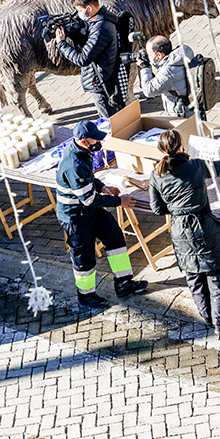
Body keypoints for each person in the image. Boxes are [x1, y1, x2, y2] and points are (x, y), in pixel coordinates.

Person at [148, 129, 220, 335]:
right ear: (181, 146)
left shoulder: (156, 174)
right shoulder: (195, 166)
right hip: (203, 226)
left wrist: (177, 210)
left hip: (179, 229)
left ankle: (209, 318)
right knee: (216, 273)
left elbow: (157, 208)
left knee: (194, 276)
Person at [56, 120, 148, 307]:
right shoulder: (74, 164)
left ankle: (124, 283)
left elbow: (90, 179)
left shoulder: (82, 152)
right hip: (75, 217)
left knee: (114, 237)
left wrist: (103, 187)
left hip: (89, 210)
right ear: (83, 141)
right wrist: (119, 202)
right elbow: (88, 199)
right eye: (94, 139)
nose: (98, 142)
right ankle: (86, 295)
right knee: (84, 257)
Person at [54, 0, 123, 119]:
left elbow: (83, 59)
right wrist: (74, 35)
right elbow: (91, 46)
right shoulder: (99, 21)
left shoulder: (101, 27)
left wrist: (61, 44)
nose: (79, 14)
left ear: (89, 8)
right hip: (102, 76)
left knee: (108, 120)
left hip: (101, 81)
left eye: (80, 10)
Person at [140, 36, 194, 118]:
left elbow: (148, 91)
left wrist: (145, 68)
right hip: (195, 109)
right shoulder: (182, 55)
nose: (149, 57)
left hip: (182, 115)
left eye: (150, 55)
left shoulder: (168, 72)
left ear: (159, 55)